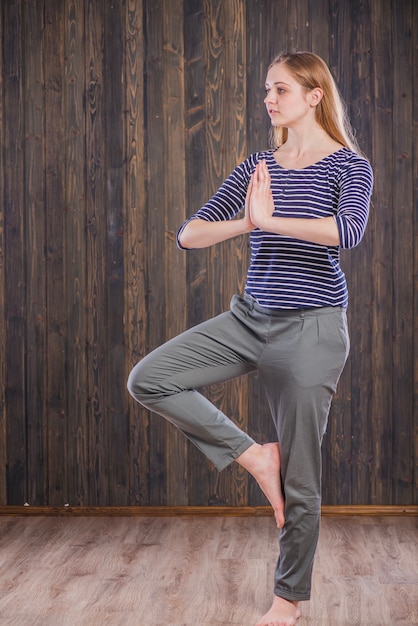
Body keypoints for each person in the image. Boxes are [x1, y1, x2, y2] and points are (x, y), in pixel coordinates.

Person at [128, 51, 373, 626]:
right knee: (150, 378)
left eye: (281, 89)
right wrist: (246, 219)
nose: (269, 99)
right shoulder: (257, 165)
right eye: (267, 89)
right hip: (248, 318)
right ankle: (254, 456)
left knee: (303, 477)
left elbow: (347, 232)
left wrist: (269, 221)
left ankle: (286, 602)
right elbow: (190, 235)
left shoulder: (348, 166)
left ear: (314, 95)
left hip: (311, 328)